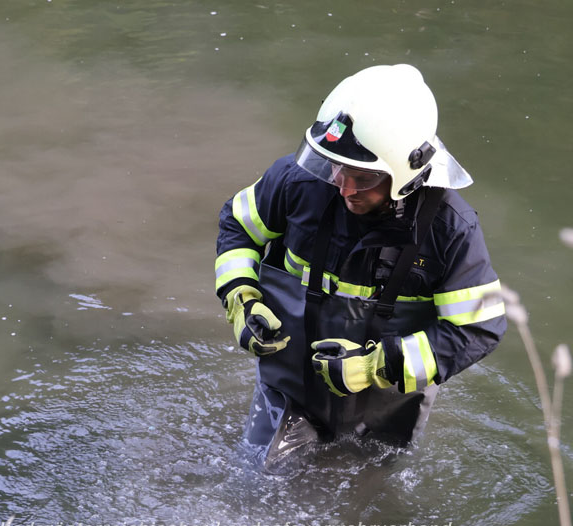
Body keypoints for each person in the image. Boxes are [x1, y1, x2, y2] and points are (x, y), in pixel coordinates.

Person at [214, 64, 507, 468]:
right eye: (335, 166)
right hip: (290, 390)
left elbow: (478, 329)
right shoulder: (298, 183)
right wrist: (240, 297)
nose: (343, 186)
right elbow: (238, 224)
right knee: (255, 483)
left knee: (367, 514)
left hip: (385, 413)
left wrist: (376, 366)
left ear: (405, 173)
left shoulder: (450, 230)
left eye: (362, 177)